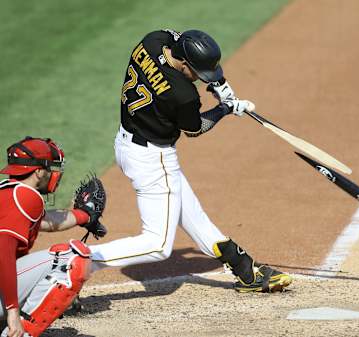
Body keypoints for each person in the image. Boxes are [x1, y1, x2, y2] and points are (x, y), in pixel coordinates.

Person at [89, 29, 292, 293]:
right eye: (197, 72)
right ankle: (76, 263)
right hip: (153, 158)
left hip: (127, 142)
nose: (198, 78)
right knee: (158, 245)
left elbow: (175, 35)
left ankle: (242, 267)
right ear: (183, 63)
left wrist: (219, 84)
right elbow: (196, 128)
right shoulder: (182, 94)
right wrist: (225, 108)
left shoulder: (152, 41)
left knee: (192, 215)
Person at [0, 137, 105, 337]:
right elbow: (3, 250)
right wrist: (12, 312)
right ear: (38, 171)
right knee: (71, 257)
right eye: (50, 167)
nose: (53, 173)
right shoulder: (26, 197)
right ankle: (15, 331)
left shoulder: (9, 192)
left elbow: (47, 221)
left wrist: (85, 215)